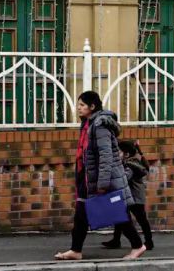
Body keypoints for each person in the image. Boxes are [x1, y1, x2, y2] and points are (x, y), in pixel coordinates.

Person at [55, 91, 146, 260]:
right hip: (88, 177)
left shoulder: (100, 126)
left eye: (82, 105)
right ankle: (76, 250)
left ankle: (138, 245)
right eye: (79, 104)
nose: (78, 108)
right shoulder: (87, 124)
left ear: (92, 107)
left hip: (104, 179)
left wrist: (102, 184)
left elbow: (106, 157)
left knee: (117, 213)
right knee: (81, 214)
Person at [102, 140, 154, 250]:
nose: (116, 154)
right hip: (128, 195)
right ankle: (116, 240)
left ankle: (149, 241)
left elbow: (124, 178)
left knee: (141, 220)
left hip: (135, 197)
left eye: (118, 152)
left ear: (126, 154)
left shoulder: (130, 165)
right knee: (120, 217)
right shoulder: (128, 163)